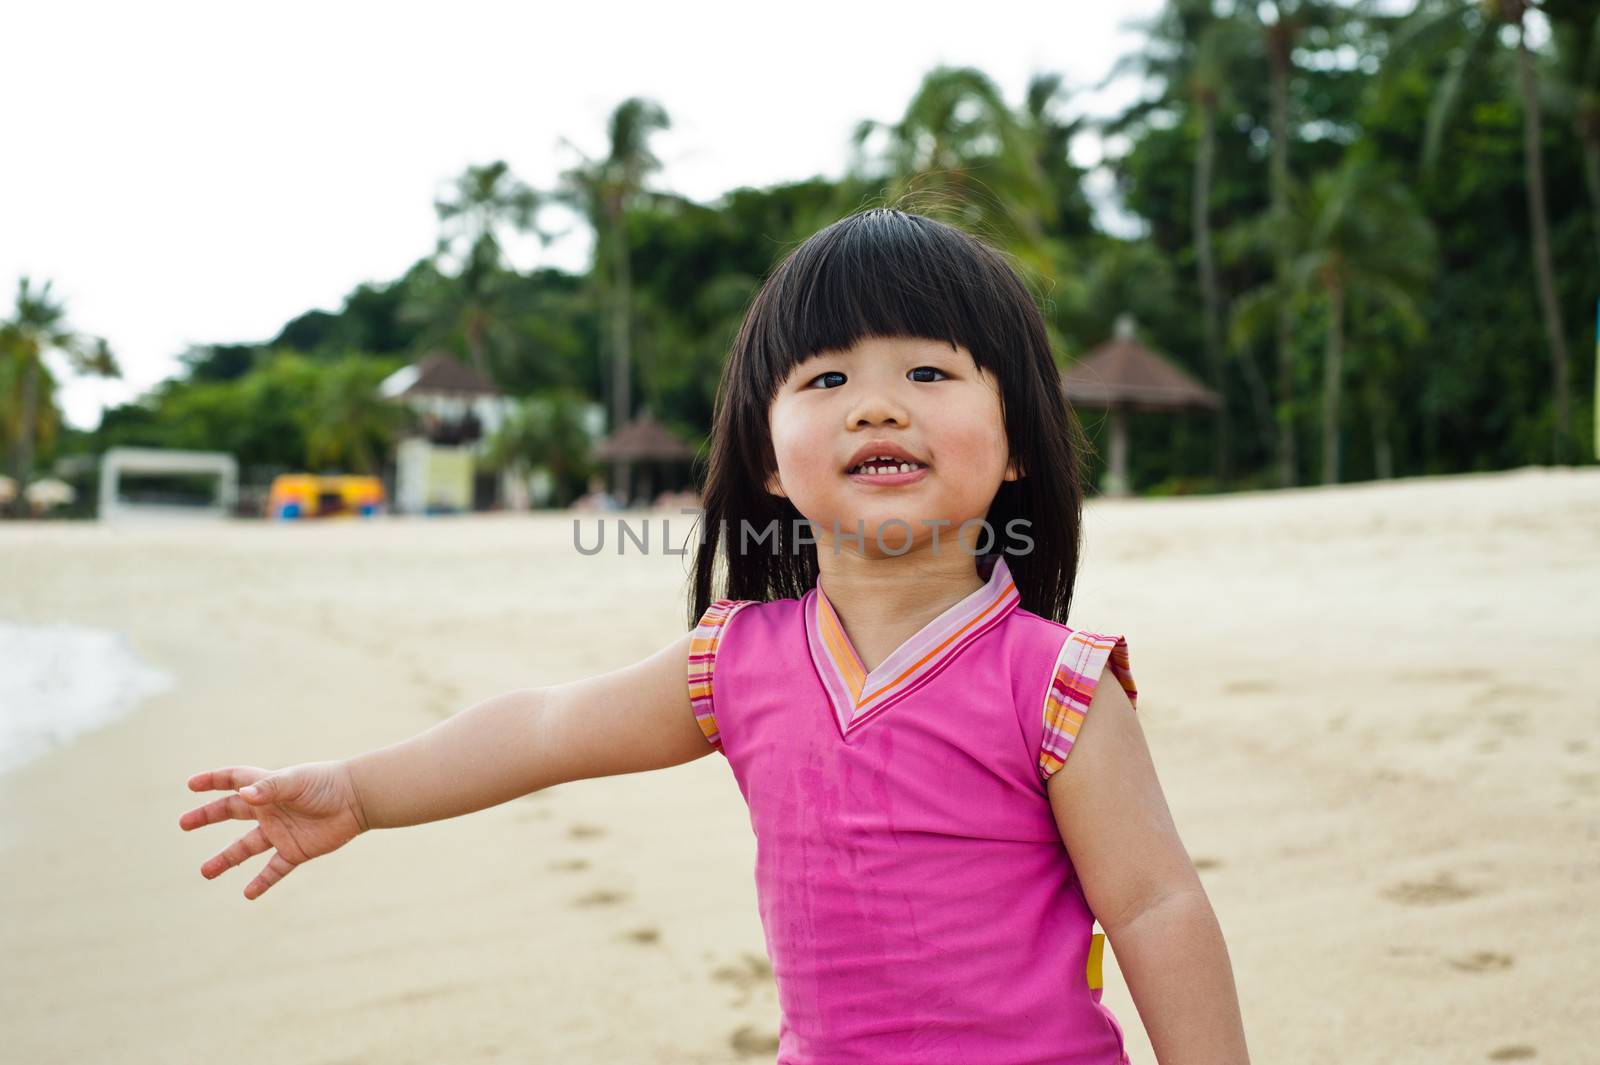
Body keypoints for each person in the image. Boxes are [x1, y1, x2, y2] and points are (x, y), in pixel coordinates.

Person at [180, 208, 1250, 1065]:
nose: (875, 407)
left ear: (1017, 443)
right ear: (771, 463)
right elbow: (548, 727)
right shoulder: (736, 661)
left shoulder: (1052, 685)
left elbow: (1156, 904)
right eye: (826, 380)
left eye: (928, 373)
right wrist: (362, 794)